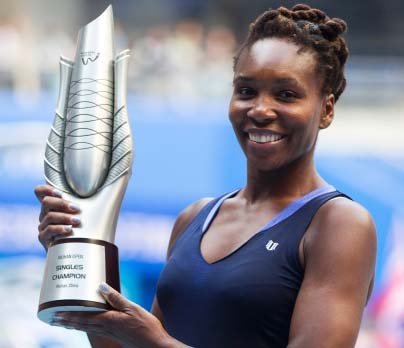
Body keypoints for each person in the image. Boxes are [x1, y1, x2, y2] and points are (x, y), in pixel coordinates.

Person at [35, 3, 377, 348]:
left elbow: (154, 343)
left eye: (286, 95)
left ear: (326, 110)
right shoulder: (195, 218)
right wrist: (75, 244)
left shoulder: (340, 225)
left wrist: (155, 341)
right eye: (246, 91)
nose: (259, 109)